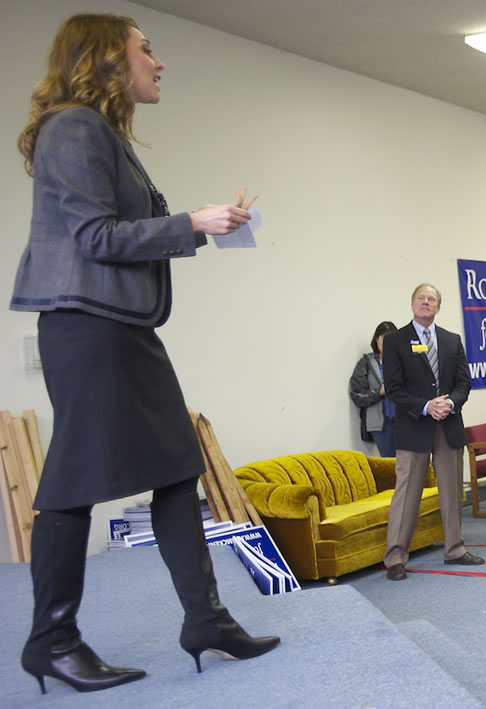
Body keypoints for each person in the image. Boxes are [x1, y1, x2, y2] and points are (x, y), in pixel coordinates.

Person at [11, 14, 277, 693]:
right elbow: (95, 238)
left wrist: (199, 227)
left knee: (176, 464)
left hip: (120, 325)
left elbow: (117, 230)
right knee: (73, 480)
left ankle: (206, 619)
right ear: (106, 57)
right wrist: (191, 223)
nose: (158, 63)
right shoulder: (73, 128)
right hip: (86, 326)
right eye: (146, 48)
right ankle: (53, 639)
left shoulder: (101, 132)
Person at [382, 284, 485, 580]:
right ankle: (396, 557)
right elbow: (394, 388)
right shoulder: (395, 341)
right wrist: (427, 406)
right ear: (412, 304)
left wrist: (450, 402)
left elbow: (464, 383)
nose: (426, 303)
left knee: (452, 491)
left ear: (439, 307)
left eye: (432, 300)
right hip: (414, 425)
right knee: (407, 494)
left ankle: (454, 549)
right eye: (421, 298)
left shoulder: (452, 340)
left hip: (448, 425)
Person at [350, 321, 399, 457]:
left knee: (407, 465)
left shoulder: (403, 362)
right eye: (384, 338)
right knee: (389, 464)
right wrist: (379, 393)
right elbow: (357, 394)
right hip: (380, 424)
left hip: (404, 421)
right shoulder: (366, 363)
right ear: (377, 338)